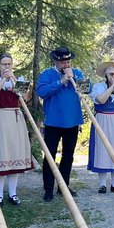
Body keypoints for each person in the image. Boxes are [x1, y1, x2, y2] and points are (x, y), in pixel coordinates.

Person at [0, 53, 34, 207]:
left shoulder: (19, 80)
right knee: (0, 154)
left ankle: (13, 193)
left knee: (14, 154)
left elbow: (25, 97)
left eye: (9, 64)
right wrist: (4, 79)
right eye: (4, 64)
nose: (7, 67)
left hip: (15, 119)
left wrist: (13, 79)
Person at [36, 47, 84, 202]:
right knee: (50, 156)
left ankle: (63, 186)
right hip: (53, 122)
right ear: (56, 61)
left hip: (72, 121)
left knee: (68, 156)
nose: (66, 65)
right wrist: (61, 81)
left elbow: (86, 89)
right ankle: (48, 189)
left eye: (68, 62)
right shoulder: (47, 74)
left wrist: (73, 79)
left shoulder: (77, 73)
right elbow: (41, 92)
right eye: (63, 62)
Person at [87, 61, 114, 194]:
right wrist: (112, 87)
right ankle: (102, 184)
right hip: (103, 119)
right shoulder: (99, 87)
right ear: (106, 74)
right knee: (103, 149)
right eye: (111, 74)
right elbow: (101, 100)